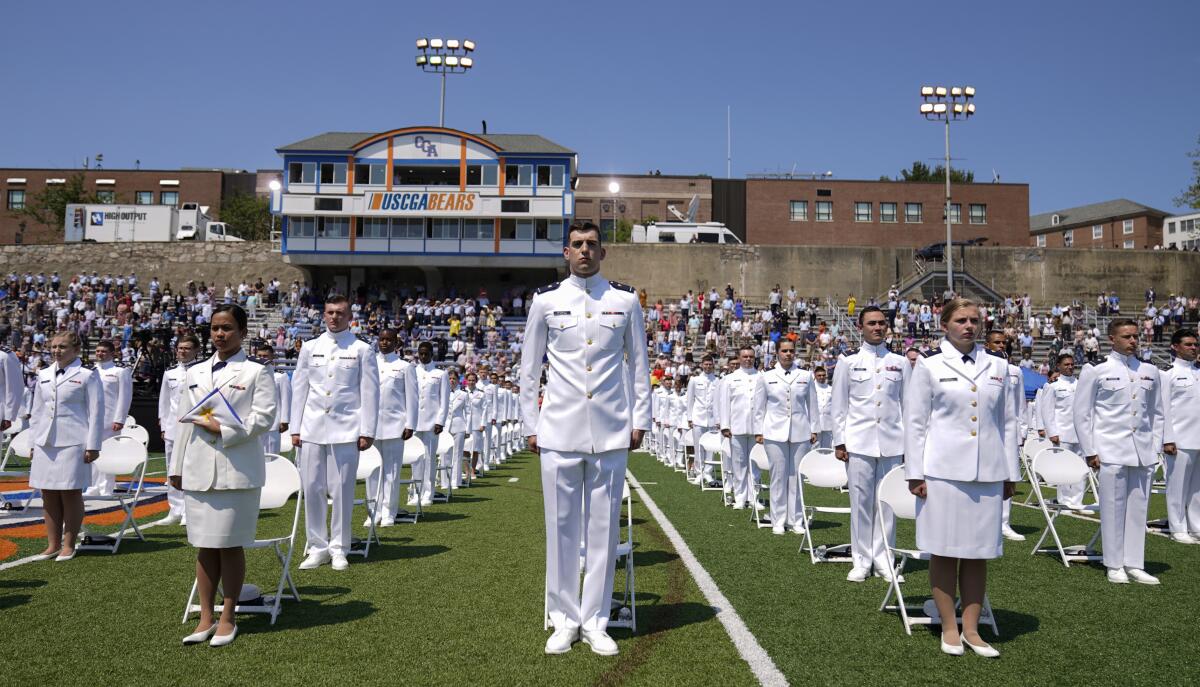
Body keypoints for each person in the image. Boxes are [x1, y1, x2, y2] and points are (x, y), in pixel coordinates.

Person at [520, 221, 650, 657]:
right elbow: (528, 368)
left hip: (611, 429)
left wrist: (640, 418)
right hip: (559, 429)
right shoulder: (545, 301)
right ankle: (563, 619)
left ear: (603, 252)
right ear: (565, 252)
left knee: (603, 532)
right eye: (577, 245)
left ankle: (596, 620)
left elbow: (637, 366)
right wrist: (529, 425)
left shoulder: (626, 300)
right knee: (559, 528)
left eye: (592, 244)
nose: (584, 251)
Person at [905, 298, 1019, 657]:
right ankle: (949, 627)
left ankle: (972, 629)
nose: (969, 326)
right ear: (944, 325)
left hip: (987, 471)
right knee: (944, 550)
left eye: (974, 320)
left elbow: (1009, 423)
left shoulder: (999, 367)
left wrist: (1009, 472)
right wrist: (915, 473)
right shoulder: (929, 365)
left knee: (977, 552)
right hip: (942, 473)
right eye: (961, 320)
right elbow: (916, 423)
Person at [171, 304, 277, 647]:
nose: (220, 334)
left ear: (243, 332)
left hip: (237, 470)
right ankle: (205, 616)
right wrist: (175, 467)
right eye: (215, 328)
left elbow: (264, 419)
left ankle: (228, 617)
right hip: (198, 469)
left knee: (230, 545)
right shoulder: (195, 372)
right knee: (204, 546)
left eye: (228, 328)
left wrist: (224, 429)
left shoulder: (256, 372)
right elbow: (184, 422)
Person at [1075, 319, 1171, 585]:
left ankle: (1135, 563)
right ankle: (1114, 563)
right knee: (1113, 507)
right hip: (1110, 449)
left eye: (1135, 336)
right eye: (1127, 337)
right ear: (1112, 339)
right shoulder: (1096, 370)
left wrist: (1154, 447)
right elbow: (1082, 413)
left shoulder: (1151, 371)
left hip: (1142, 450)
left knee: (1139, 508)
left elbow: (1157, 413)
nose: (1132, 341)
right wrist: (1090, 449)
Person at [292, 295, 379, 572]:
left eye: (340, 313)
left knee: (342, 489)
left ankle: (340, 547)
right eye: (330, 312)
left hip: (347, 428)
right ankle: (317, 546)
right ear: (323, 314)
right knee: (313, 488)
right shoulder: (309, 347)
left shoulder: (361, 349)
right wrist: (295, 427)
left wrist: (367, 430)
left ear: (349, 316)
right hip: (312, 427)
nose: (334, 317)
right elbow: (300, 388)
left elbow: (369, 392)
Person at [832, 306, 908, 581]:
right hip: (859, 441)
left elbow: (907, 406)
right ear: (861, 326)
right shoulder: (848, 361)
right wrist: (840, 441)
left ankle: (885, 558)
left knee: (886, 502)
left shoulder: (900, 362)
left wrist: (909, 446)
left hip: (891, 441)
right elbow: (839, 405)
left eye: (882, 323)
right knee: (861, 502)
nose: (878, 328)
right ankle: (862, 559)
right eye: (872, 323)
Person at [28, 331, 104, 562]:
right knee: (48, 493)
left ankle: (69, 544)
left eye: (62, 347)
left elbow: (96, 412)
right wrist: (33, 441)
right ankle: (52, 544)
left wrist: (93, 445)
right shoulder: (43, 374)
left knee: (70, 493)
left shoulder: (87, 375)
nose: (56, 351)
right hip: (45, 442)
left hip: (74, 441)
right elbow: (37, 412)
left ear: (76, 350)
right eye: (53, 347)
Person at [753, 339, 818, 535]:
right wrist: (758, 431)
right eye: (784, 351)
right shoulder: (766, 376)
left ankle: (796, 519)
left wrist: (814, 429)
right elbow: (759, 407)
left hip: (800, 431)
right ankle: (778, 520)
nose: (788, 354)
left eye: (791, 351)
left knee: (796, 476)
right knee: (778, 476)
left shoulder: (805, 376)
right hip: (773, 431)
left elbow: (812, 405)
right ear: (777, 353)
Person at [984, 330, 1029, 543]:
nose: (1001, 346)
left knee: (1008, 475)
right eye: (996, 342)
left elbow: (1020, 405)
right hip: (985, 429)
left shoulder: (1014, 371)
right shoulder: (980, 367)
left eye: (1003, 342)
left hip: (1008, 431)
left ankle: (1004, 522)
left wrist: (1023, 432)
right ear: (987, 344)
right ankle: (985, 522)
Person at [370, 329, 416, 526]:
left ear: (396, 342)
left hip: (395, 425)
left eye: (389, 339)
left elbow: (412, 397)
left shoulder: (405, 367)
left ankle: (389, 511)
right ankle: (374, 511)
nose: (385, 342)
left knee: (392, 471)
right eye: (382, 339)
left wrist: (410, 424)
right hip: (371, 426)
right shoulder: (369, 363)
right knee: (373, 471)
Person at [1161, 328, 1200, 544]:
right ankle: (1177, 527)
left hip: (1199, 437)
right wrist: (1167, 438)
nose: (1193, 348)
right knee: (1177, 487)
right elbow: (1163, 409)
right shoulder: (1168, 373)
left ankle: (1196, 526)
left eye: (1195, 344)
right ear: (1175, 347)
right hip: (1180, 440)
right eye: (1188, 344)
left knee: (1197, 488)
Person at [156, 334, 200, 526]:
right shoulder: (170, 373)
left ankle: (189, 511)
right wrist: (164, 426)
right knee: (171, 470)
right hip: (174, 428)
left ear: (196, 350)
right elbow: (164, 402)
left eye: (187, 348)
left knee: (191, 469)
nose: (182, 351)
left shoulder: (201, 371)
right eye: (180, 348)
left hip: (194, 427)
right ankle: (175, 509)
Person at [83, 340, 131, 497]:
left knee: (108, 453)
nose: (99, 354)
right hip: (90, 419)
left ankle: (106, 487)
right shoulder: (89, 371)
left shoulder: (120, 371)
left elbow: (125, 397)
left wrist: (120, 419)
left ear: (112, 353)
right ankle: (93, 486)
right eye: (97, 351)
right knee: (91, 451)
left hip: (110, 420)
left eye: (103, 351)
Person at [1040, 353, 1084, 510]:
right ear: (1058, 366)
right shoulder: (1052, 386)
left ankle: (1077, 500)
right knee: (1064, 468)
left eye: (1072, 364)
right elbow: (1047, 411)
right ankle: (1064, 500)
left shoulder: (1080, 384)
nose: (1070, 367)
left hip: (1080, 433)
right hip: (1062, 433)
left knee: (1080, 467)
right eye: (1066, 364)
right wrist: (1052, 432)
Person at [719, 346, 760, 509]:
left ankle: (754, 497)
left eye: (751, 356)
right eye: (745, 356)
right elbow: (724, 403)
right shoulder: (730, 378)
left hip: (757, 428)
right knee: (739, 463)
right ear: (739, 357)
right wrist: (725, 425)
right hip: (737, 426)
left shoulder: (761, 377)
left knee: (754, 464)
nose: (748, 359)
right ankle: (740, 497)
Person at [411, 341, 448, 506]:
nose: (423, 356)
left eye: (426, 353)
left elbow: (444, 400)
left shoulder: (440, 374)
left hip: (432, 422)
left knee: (429, 458)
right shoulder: (412, 372)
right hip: (414, 422)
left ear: (432, 354)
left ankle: (428, 493)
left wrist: (440, 421)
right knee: (416, 458)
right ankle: (415, 492)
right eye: (421, 353)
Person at [686, 354, 719, 485]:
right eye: (705, 364)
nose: (708, 366)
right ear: (701, 365)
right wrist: (689, 417)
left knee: (710, 447)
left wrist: (719, 419)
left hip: (712, 419)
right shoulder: (694, 380)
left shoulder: (718, 381)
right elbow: (690, 400)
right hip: (698, 417)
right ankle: (699, 473)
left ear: (713, 365)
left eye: (710, 364)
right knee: (698, 445)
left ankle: (708, 473)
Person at [253, 342, 291, 456]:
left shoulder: (280, 377)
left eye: (265, 356)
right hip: (255, 422)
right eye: (259, 356)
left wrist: (284, 420)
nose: (262, 358)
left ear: (272, 357)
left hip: (273, 423)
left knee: (272, 456)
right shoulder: (251, 375)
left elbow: (286, 399)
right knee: (255, 456)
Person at [445, 368, 469, 489]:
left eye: (454, 378)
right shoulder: (443, 393)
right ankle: (445, 482)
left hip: (459, 425)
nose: (452, 381)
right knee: (445, 454)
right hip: (445, 427)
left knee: (457, 454)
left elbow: (468, 412)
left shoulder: (464, 394)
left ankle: (455, 481)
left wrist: (468, 429)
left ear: (458, 380)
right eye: (449, 378)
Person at [812, 366, 833, 449]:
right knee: (814, 449)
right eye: (819, 375)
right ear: (815, 376)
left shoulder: (831, 389)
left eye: (823, 375)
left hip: (828, 424)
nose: (822, 377)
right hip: (815, 425)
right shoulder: (811, 388)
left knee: (828, 449)